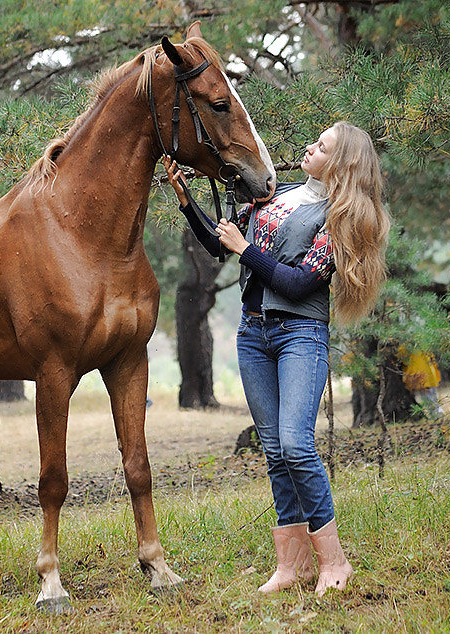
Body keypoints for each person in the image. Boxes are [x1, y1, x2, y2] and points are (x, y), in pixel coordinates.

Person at [164, 121, 390, 597]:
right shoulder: (278, 195)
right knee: (274, 452)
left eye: (321, 146)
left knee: (295, 444)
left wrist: (245, 249)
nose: (310, 147)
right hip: (253, 334)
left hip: (299, 335)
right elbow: (218, 245)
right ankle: (293, 567)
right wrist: (187, 201)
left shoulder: (340, 217)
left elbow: (298, 282)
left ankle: (335, 561)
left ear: (342, 163)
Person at [402, 349, 445, 418]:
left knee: (429, 398)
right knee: (432, 397)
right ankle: (437, 413)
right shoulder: (423, 345)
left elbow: (402, 355)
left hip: (421, 376)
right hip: (430, 375)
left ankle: (436, 414)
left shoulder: (409, 346)